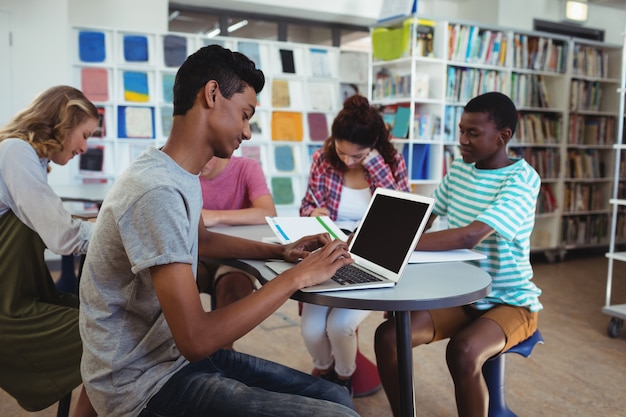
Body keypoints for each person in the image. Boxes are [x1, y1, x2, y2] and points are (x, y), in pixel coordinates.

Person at [78, 44, 360, 417]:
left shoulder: (178, 172)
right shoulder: (157, 190)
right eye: (245, 115)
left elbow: (204, 241)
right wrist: (297, 277)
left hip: (169, 360)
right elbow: (196, 340)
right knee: (341, 415)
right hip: (143, 386)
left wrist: (282, 251)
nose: (246, 131)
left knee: (338, 398)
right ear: (212, 94)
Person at [374, 91, 542, 417]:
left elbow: (471, 235)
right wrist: (380, 243)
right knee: (389, 337)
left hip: (510, 300)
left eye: (473, 133)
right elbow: (425, 217)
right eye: (461, 130)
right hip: (461, 296)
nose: (462, 140)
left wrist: (396, 243)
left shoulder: (522, 179)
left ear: (503, 136)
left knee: (463, 352)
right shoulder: (460, 170)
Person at [299, 94, 410, 395]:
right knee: (311, 328)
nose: (347, 161)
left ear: (373, 147)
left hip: (373, 259)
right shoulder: (323, 159)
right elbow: (306, 205)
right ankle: (324, 370)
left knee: (340, 326)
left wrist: (374, 165)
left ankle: (344, 378)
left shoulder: (391, 162)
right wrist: (313, 212)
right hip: (329, 255)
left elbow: (403, 212)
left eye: (357, 156)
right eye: (341, 151)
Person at [0, 85, 98, 416]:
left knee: (96, 318)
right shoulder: (16, 151)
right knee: (104, 331)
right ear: (63, 122)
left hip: (16, 287)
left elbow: (58, 225)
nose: (84, 147)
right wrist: (115, 230)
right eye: (84, 135)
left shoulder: (31, 159)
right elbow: (63, 237)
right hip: (6, 302)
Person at [197, 155, 277, 349]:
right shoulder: (187, 167)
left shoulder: (247, 167)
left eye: (206, 154)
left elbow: (268, 212)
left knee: (233, 291)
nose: (200, 161)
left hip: (236, 255)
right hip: (198, 253)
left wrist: (216, 217)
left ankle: (221, 356)